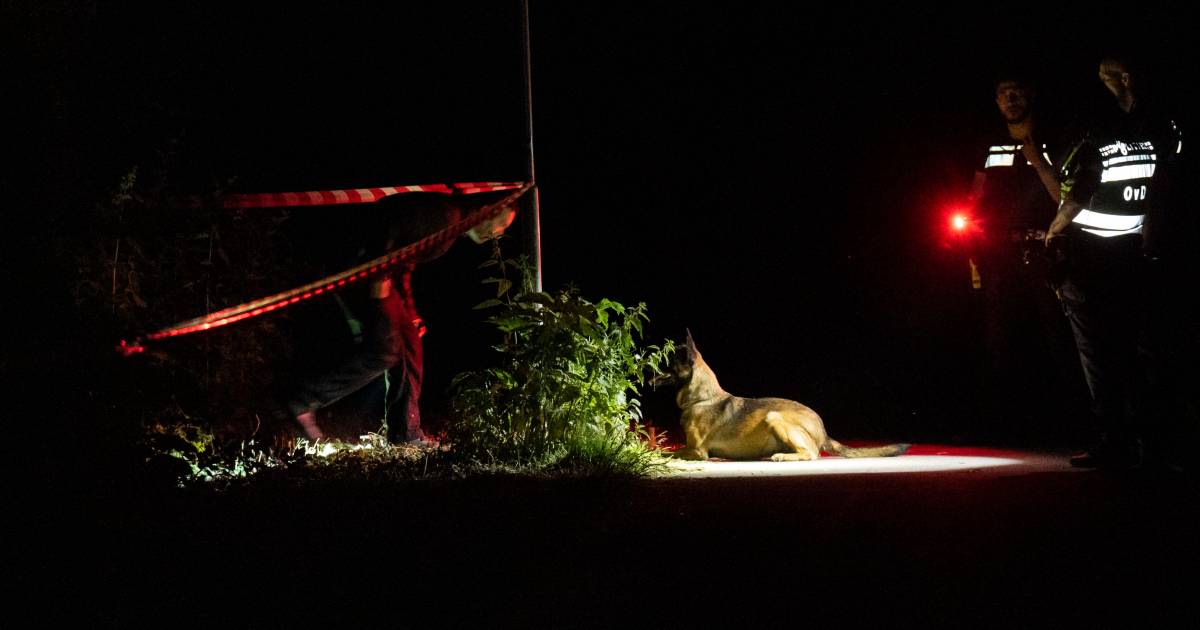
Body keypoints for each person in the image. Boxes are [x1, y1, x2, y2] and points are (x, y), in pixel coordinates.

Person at [280, 192, 516, 446]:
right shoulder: (447, 216)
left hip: (382, 276)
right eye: (502, 224)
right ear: (489, 209)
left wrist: (410, 310)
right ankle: (301, 400)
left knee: (410, 344)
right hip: (358, 269)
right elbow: (388, 223)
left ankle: (406, 433)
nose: (499, 233)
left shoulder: (452, 226)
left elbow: (406, 259)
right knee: (384, 349)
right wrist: (379, 275)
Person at [1045, 55, 1184, 469]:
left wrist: (1055, 230)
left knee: (1099, 353)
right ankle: (1153, 442)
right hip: (1137, 253)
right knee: (1142, 351)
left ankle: (1115, 439)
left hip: (1092, 256)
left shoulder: (1092, 139)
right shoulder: (1160, 135)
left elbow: (1077, 191)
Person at [966, 73, 1084, 443]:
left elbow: (1066, 195)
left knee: (1058, 337)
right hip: (1000, 254)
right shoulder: (990, 144)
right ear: (996, 101)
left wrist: (1037, 160)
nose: (1011, 98)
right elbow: (977, 193)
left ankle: (1076, 424)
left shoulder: (1055, 139)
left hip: (1046, 250)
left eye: (1017, 90)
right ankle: (1001, 425)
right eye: (1003, 93)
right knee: (999, 337)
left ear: (1030, 94)